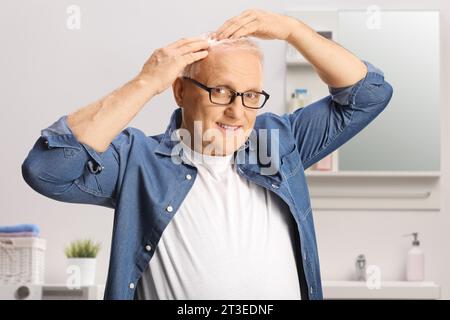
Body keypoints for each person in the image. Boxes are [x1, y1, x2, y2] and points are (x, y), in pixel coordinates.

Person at [22, 9, 393, 300]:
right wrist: (147, 82)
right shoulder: (139, 159)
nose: (237, 112)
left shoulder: (278, 142)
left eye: (250, 95)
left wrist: (293, 31)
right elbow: (47, 168)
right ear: (180, 92)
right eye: (221, 91)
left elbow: (370, 94)